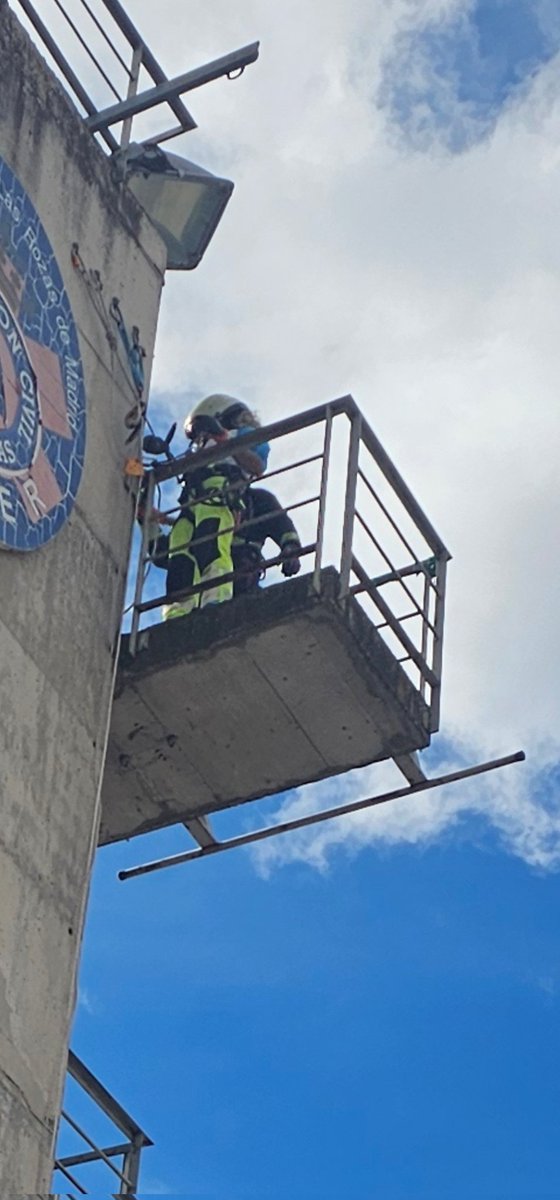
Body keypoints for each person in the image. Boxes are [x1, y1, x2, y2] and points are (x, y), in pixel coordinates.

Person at [164, 395, 270, 619]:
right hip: (192, 500)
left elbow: (257, 466)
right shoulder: (202, 446)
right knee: (180, 554)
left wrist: (224, 441)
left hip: (220, 495)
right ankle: (178, 612)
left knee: (211, 543)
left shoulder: (244, 436)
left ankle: (216, 598)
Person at [232, 486, 302, 593]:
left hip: (246, 572)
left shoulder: (259, 499)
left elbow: (283, 526)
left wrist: (291, 547)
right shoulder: (205, 500)